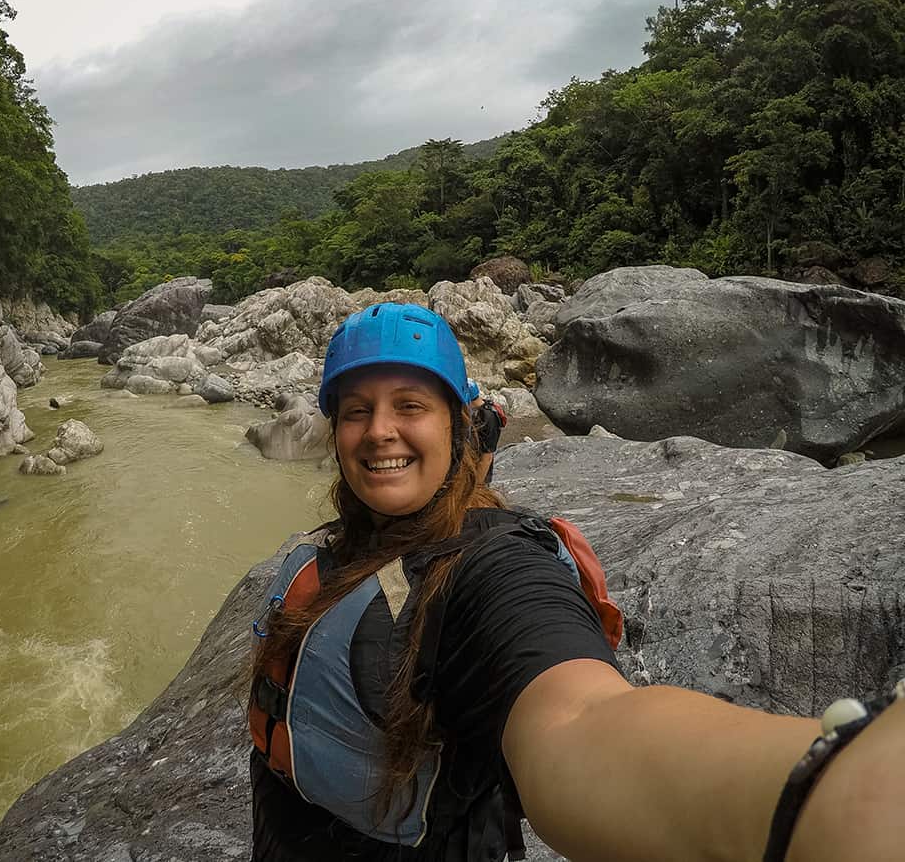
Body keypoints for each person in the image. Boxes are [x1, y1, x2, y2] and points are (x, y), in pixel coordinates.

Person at [247, 302, 905, 862]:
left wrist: (826, 793)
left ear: (456, 423)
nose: (379, 431)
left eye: (410, 404)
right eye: (356, 411)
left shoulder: (493, 567)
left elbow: (585, 717)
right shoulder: (351, 541)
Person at [467, 379, 502, 485]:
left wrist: (476, 487)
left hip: (479, 474)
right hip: (470, 467)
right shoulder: (475, 411)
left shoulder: (489, 418)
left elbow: (487, 457)